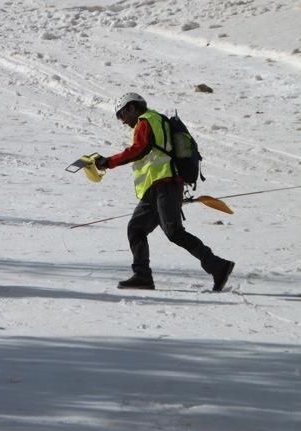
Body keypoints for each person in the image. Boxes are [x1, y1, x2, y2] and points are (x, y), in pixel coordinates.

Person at [94, 93, 234, 291]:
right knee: (136, 228)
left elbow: (138, 149)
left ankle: (218, 266)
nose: (122, 121)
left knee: (174, 232)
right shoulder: (154, 120)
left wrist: (108, 162)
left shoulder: (146, 120)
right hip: (156, 187)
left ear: (132, 108)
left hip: (165, 184)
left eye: (121, 114)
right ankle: (142, 276)